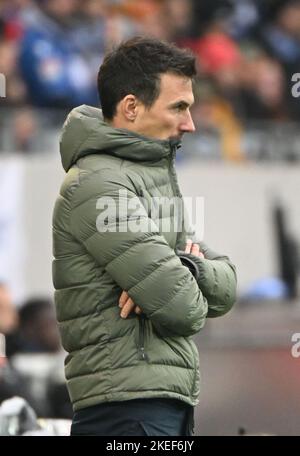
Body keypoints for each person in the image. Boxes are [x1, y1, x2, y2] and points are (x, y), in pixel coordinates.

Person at [52, 36, 237, 436]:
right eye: (179, 107)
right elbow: (184, 307)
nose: (191, 123)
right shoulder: (98, 184)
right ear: (131, 107)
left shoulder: (144, 180)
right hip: (127, 415)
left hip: (156, 407)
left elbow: (227, 287)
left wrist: (183, 263)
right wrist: (182, 270)